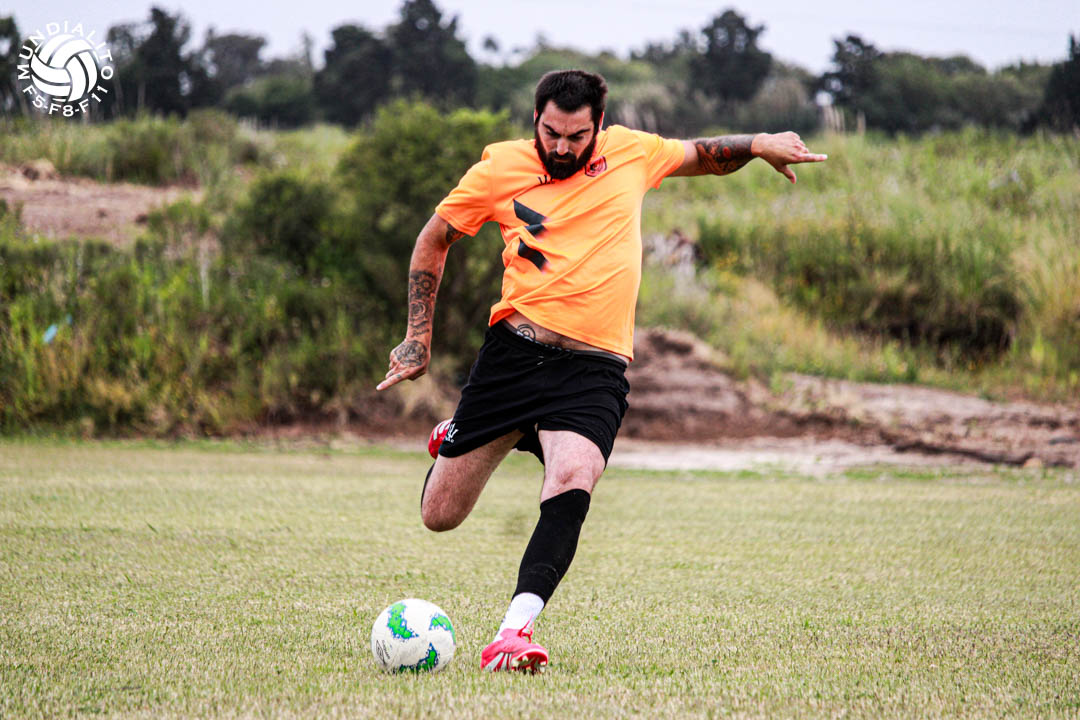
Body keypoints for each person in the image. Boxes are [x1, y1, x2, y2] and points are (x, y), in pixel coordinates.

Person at [376, 69, 826, 673]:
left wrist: (758, 143)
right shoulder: (499, 168)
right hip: (515, 356)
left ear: (599, 126)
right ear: (535, 120)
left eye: (576, 136)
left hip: (593, 370)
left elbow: (702, 154)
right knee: (440, 516)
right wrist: (417, 337)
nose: (562, 147)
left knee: (574, 477)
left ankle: (513, 632)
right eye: (551, 133)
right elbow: (434, 239)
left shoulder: (632, 152)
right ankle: (466, 435)